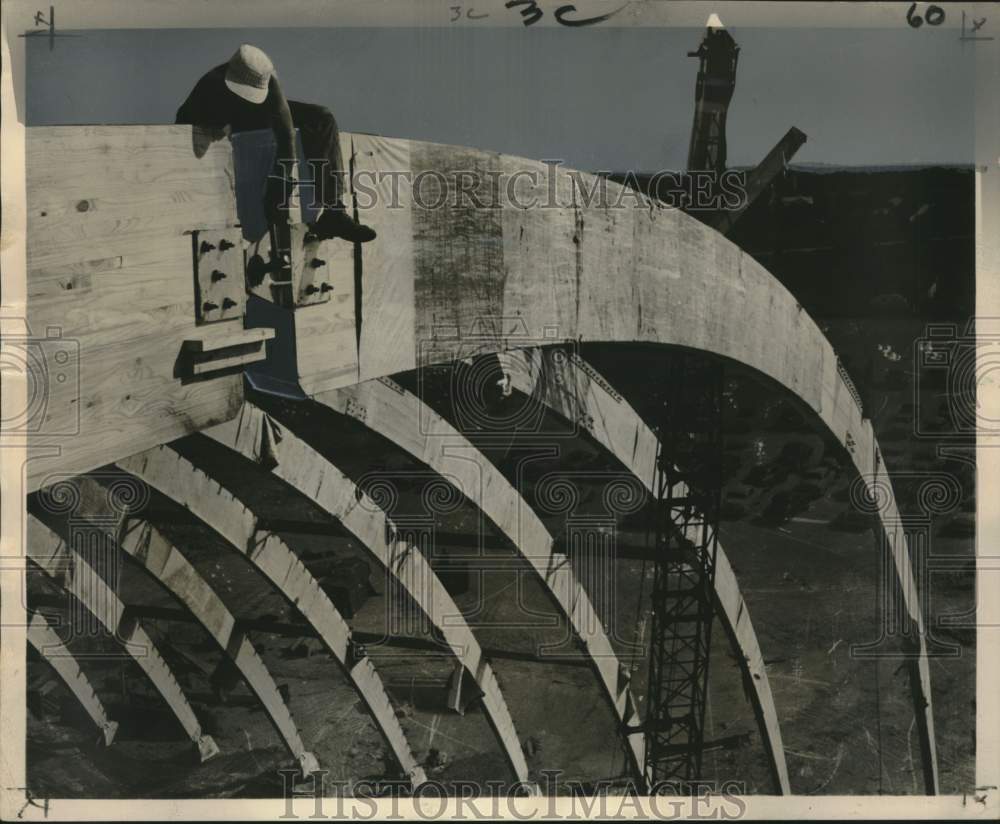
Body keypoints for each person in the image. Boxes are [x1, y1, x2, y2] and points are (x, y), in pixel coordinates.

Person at [176, 44, 375, 243]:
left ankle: (335, 212)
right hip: (232, 122)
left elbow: (286, 134)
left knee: (321, 117)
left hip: (258, 117)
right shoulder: (210, 84)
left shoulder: (269, 83)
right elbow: (179, 129)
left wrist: (281, 183)